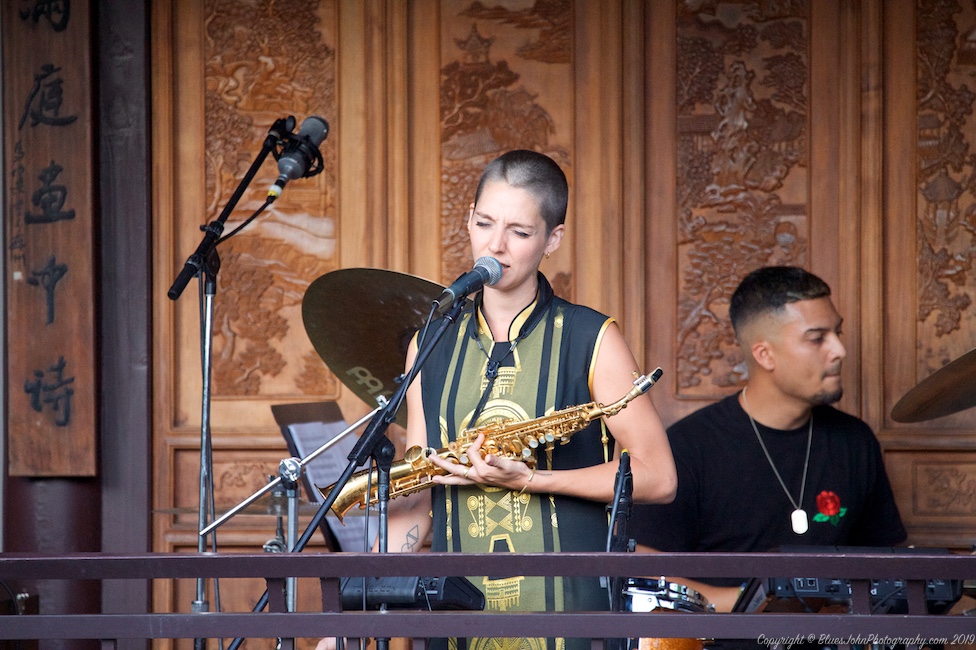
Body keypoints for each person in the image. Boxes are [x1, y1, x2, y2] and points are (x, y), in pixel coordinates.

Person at [384, 149, 677, 650]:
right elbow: (415, 500)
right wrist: (362, 618)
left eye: (519, 232)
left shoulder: (592, 337)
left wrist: (533, 479)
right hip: (454, 627)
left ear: (552, 239)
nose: (494, 246)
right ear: (468, 220)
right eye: (483, 223)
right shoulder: (429, 342)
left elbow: (658, 477)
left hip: (570, 620)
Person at [629, 265, 907, 614]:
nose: (839, 350)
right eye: (818, 338)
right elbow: (641, 565)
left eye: (838, 333)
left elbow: (888, 562)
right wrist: (750, 605)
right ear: (764, 354)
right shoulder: (689, 447)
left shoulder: (855, 441)